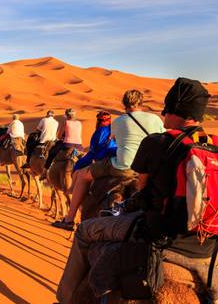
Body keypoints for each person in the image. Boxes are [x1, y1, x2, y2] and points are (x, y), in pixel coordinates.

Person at [42, 78, 218, 304]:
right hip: (206, 247)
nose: (163, 116)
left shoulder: (156, 142)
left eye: (166, 111)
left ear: (173, 111)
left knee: (85, 233)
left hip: (156, 236)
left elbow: (142, 188)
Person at [52, 90, 164, 230]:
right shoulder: (155, 119)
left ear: (124, 104)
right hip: (149, 167)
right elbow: (162, 139)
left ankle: (69, 219)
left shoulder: (118, 121)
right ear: (142, 102)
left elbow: (115, 141)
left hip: (123, 167)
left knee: (82, 175)